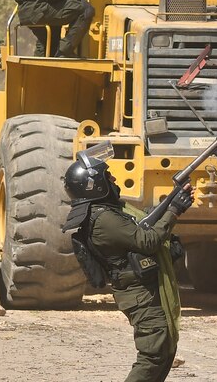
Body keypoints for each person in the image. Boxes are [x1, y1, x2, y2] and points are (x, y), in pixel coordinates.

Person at [62, 142, 192, 382]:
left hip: (141, 291)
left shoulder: (106, 212)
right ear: (95, 185)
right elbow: (148, 241)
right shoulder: (103, 219)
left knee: (163, 352)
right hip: (139, 295)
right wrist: (174, 210)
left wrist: (168, 207)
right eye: (107, 176)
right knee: (153, 354)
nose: (113, 180)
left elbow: (139, 230)